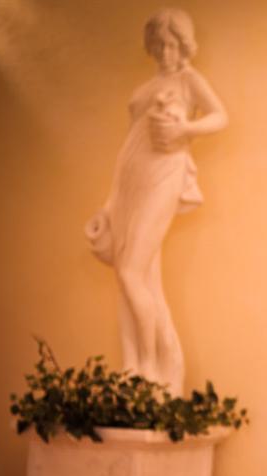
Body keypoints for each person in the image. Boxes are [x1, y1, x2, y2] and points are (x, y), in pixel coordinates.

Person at [86, 7, 227, 396]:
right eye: (159, 45)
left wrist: (186, 129)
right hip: (129, 180)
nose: (165, 52)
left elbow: (220, 116)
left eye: (172, 45)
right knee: (132, 276)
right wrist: (109, 204)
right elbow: (131, 141)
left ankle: (148, 367)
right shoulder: (148, 87)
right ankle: (133, 366)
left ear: (184, 45)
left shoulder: (188, 80)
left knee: (131, 272)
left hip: (164, 174)